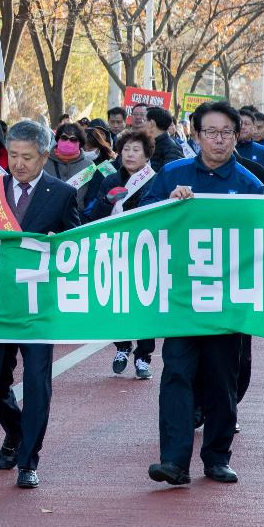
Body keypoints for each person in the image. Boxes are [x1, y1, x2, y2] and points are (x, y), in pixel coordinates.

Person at [143, 101, 264, 487]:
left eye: (226, 132)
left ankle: (217, 456)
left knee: (221, 379)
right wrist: (167, 205)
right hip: (182, 296)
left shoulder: (250, 185)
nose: (218, 139)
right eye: (210, 132)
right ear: (195, 136)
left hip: (228, 300)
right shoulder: (172, 175)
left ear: (237, 135)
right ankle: (174, 461)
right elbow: (140, 221)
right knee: (176, 373)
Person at [0, 120, 80, 489]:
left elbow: (76, 243)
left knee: (36, 384)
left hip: (38, 306)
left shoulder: (61, 193)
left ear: (44, 156)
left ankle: (29, 459)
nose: (19, 164)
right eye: (13, 155)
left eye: (27, 157)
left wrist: (59, 242)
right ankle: (15, 432)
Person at [85, 129, 157, 380]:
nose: (130, 154)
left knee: (144, 303)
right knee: (116, 301)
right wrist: (107, 201)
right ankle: (122, 347)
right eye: (126, 149)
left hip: (144, 252)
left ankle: (144, 356)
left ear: (147, 155)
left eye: (136, 150)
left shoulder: (154, 180)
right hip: (114, 251)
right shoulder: (109, 180)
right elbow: (94, 217)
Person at [43, 122, 111, 212]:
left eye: (73, 139)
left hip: (76, 217)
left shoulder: (89, 166)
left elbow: (92, 193)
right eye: (64, 138)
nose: (68, 142)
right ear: (57, 139)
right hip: (47, 214)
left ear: (80, 143)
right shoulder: (43, 162)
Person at [234, 108, 264, 195]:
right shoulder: (225, 151)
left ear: (254, 128)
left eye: (247, 124)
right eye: (239, 123)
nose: (243, 127)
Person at [143, 107, 185, 172]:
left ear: (152, 123)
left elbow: (172, 176)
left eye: (144, 120)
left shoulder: (172, 148)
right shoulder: (148, 144)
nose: (142, 124)